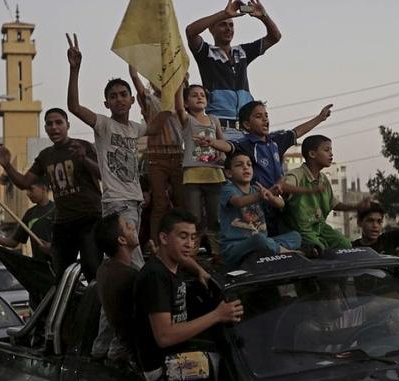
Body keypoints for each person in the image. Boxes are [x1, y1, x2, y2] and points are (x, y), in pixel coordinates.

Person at [66, 33, 145, 269]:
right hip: (117, 203)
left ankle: (109, 293)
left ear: (132, 100)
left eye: (123, 95)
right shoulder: (103, 125)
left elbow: (161, 122)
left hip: (135, 202)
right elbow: (74, 107)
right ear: (106, 104)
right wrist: (74, 70)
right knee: (133, 259)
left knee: (118, 259)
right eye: (113, 96)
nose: (119, 99)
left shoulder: (136, 128)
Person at [134, 209, 243, 380]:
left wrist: (199, 270)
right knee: (230, 364)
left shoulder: (171, 261)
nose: (190, 244)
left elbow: (184, 258)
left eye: (193, 238)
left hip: (180, 348)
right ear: (164, 238)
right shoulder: (155, 277)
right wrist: (218, 315)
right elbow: (165, 336)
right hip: (164, 365)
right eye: (183, 236)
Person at [0, 108, 102, 282]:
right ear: (45, 128)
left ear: (68, 125)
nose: (54, 127)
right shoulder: (45, 156)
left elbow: (103, 175)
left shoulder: (82, 146)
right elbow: (24, 183)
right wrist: (7, 165)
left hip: (89, 219)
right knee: (60, 274)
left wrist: (84, 159)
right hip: (63, 222)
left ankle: (96, 299)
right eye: (49, 124)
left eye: (59, 122)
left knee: (92, 268)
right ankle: (69, 299)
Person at [200, 101, 333, 235]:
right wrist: (212, 142)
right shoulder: (246, 144)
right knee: (263, 237)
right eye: (258, 116)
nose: (265, 120)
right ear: (247, 124)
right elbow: (228, 146)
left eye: (266, 116)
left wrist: (320, 118)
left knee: (288, 235)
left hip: (278, 201)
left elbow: (296, 132)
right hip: (258, 202)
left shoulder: (276, 141)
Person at [186, 0, 282, 141]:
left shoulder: (242, 52)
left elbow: (275, 37)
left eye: (231, 25)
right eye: (223, 24)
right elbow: (190, 31)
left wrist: (264, 16)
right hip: (220, 128)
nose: (228, 29)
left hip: (247, 128)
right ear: (211, 30)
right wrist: (224, 13)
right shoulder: (206, 52)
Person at [281, 135, 370, 253]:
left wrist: (356, 207)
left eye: (331, 150)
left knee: (345, 244)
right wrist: (310, 191)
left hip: (320, 227)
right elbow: (283, 186)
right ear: (312, 154)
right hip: (300, 230)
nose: (331, 154)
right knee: (318, 249)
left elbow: (334, 204)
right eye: (327, 150)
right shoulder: (297, 174)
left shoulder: (323, 179)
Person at [129, 65, 184, 245]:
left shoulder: (179, 102)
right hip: (156, 157)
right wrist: (133, 64)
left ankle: (181, 241)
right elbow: (136, 81)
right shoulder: (150, 100)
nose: (162, 82)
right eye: (157, 79)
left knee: (180, 200)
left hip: (178, 155)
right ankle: (155, 243)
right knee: (160, 202)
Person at [219, 151, 302, 268]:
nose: (245, 167)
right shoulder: (228, 189)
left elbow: (281, 204)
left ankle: (266, 252)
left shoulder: (256, 190)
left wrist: (271, 196)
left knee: (295, 236)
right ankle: (286, 253)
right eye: (239, 165)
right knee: (259, 239)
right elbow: (239, 202)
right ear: (229, 173)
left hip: (262, 242)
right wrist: (262, 195)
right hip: (235, 248)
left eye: (249, 164)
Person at [175, 83, 226, 260]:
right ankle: (191, 254)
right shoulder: (187, 120)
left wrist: (222, 157)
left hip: (214, 174)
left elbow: (222, 142)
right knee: (194, 217)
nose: (199, 97)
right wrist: (179, 83)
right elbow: (178, 107)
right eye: (194, 95)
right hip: (193, 175)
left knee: (215, 217)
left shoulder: (214, 119)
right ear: (186, 103)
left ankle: (218, 253)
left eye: (202, 95)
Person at [93, 212, 141, 367]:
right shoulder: (129, 276)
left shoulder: (104, 269)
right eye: (127, 226)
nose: (133, 226)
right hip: (133, 358)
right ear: (122, 240)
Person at [0, 176, 54, 263]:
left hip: (58, 265)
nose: (28, 193)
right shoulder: (30, 213)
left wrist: (52, 248)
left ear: (44, 188)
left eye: (31, 189)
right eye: (26, 190)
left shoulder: (57, 211)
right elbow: (13, 242)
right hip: (38, 265)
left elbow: (67, 242)